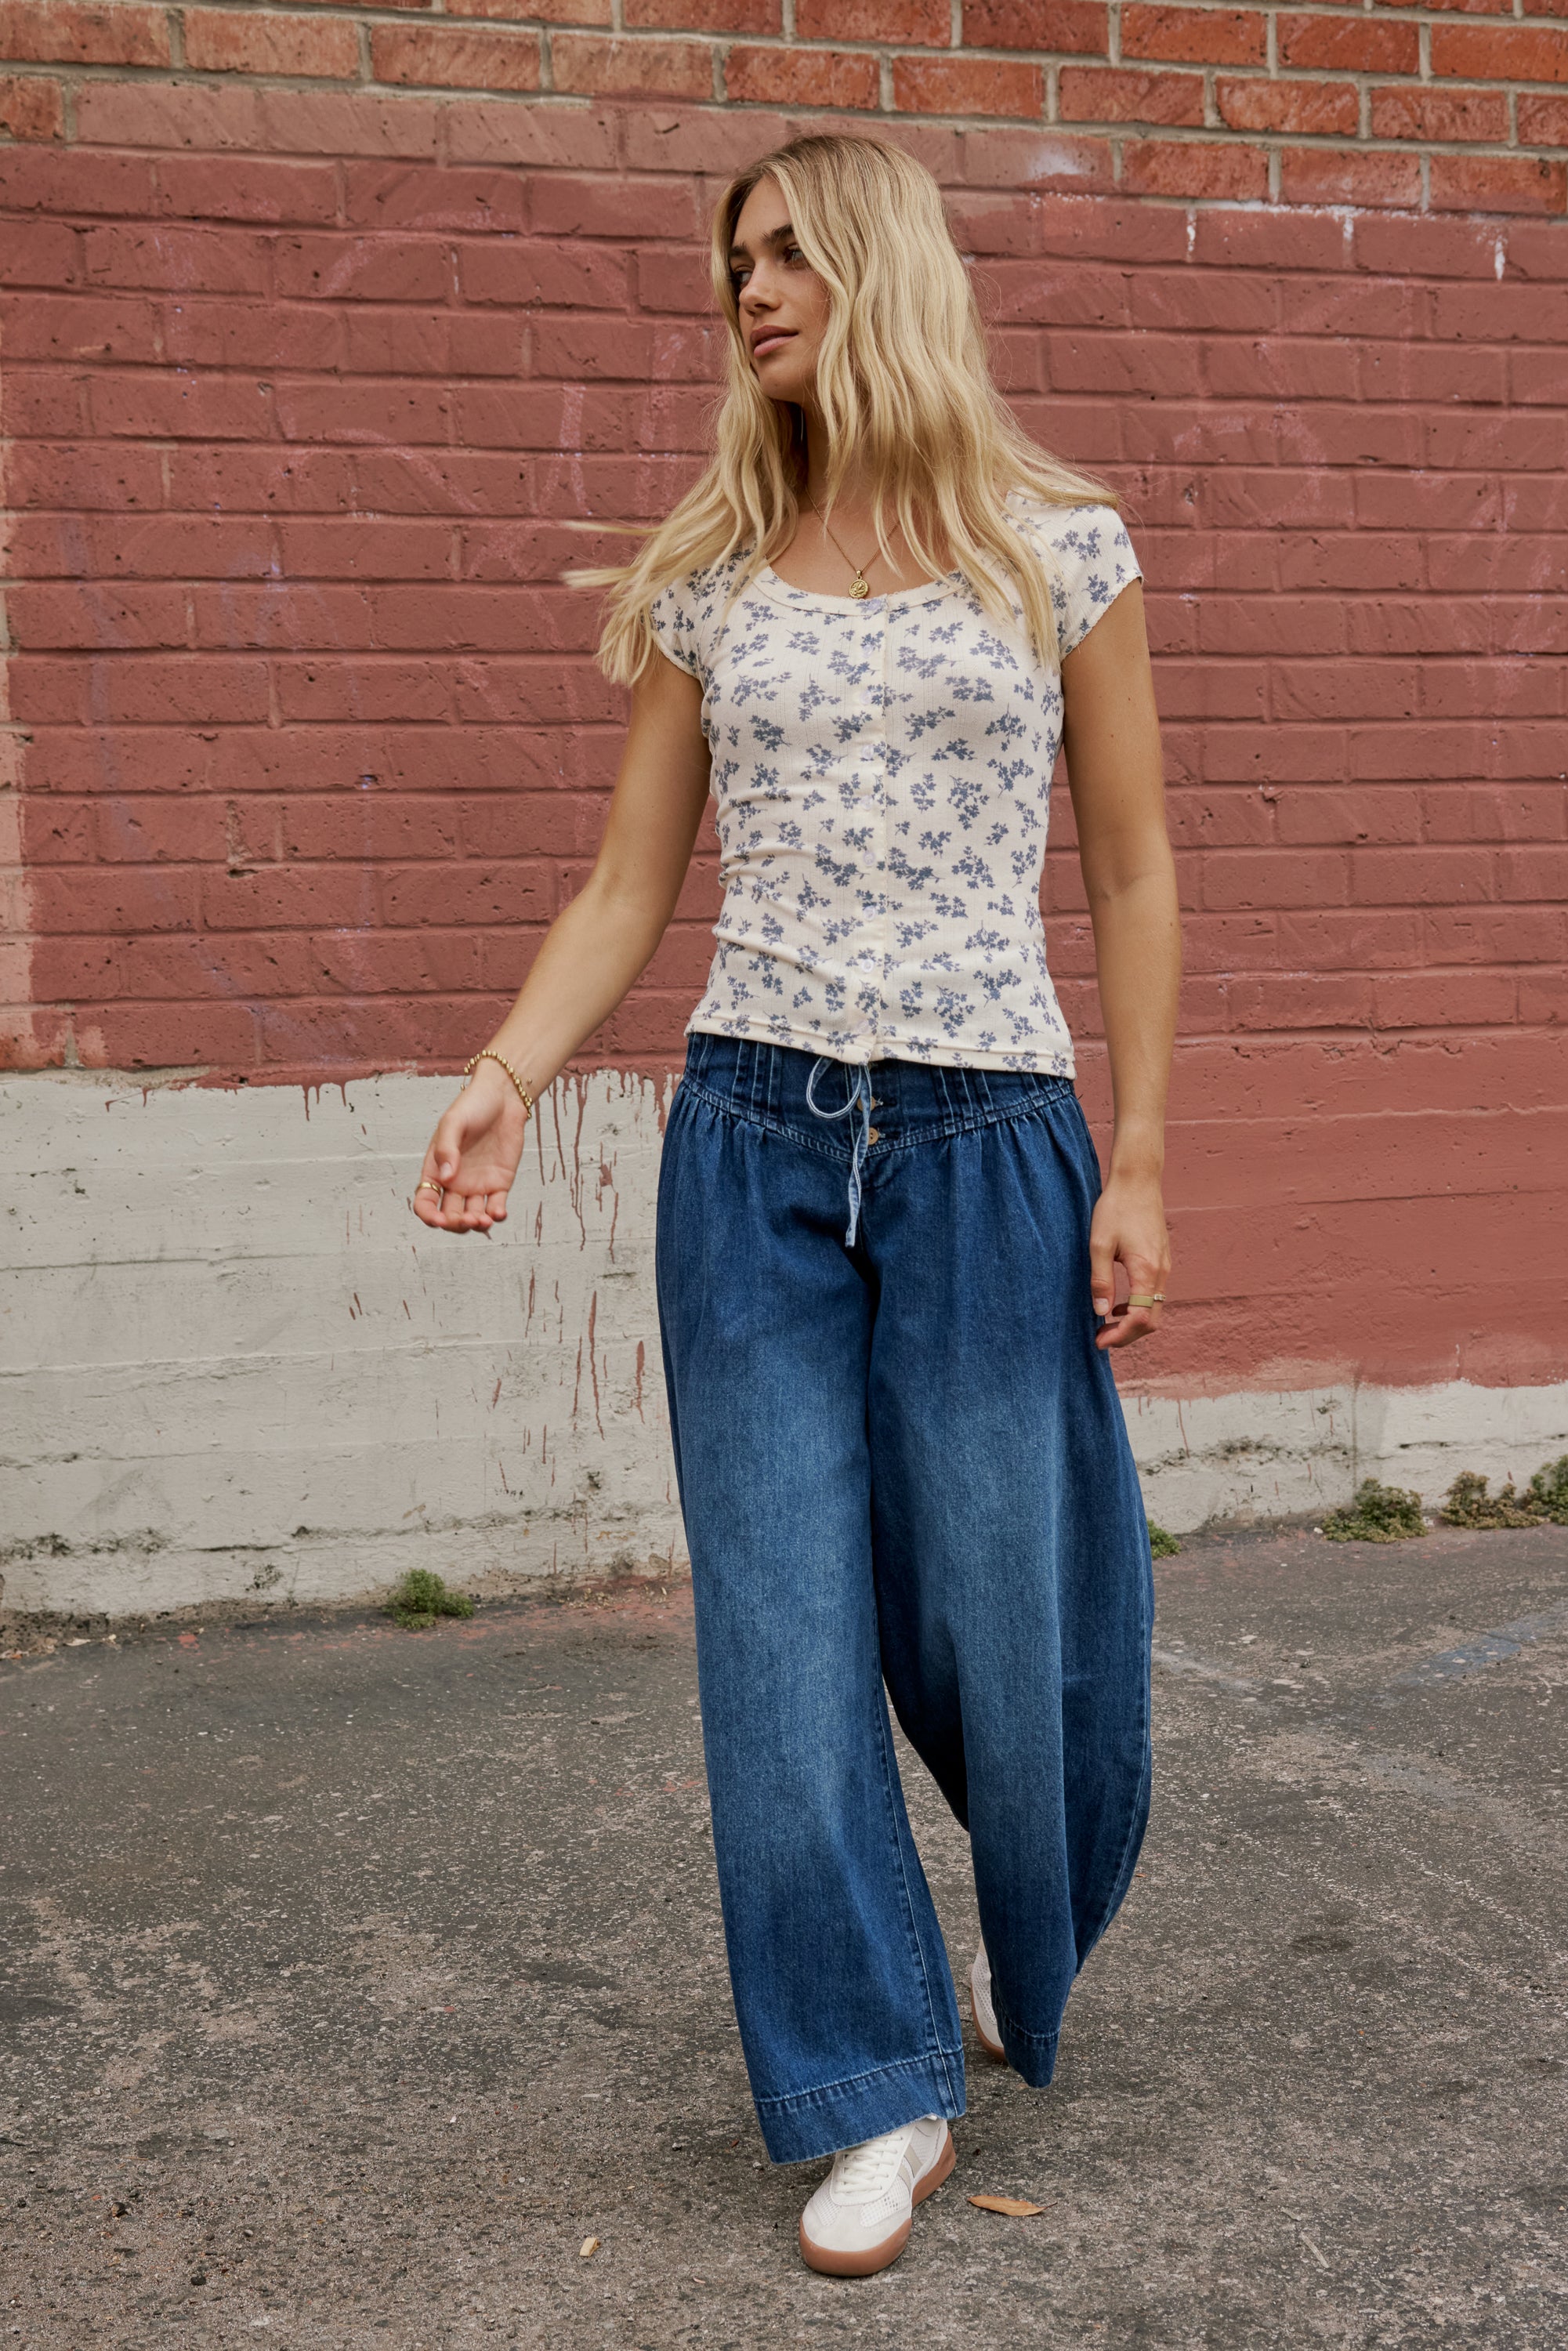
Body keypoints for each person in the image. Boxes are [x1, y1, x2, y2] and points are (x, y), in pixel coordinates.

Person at [412, 132, 1179, 2279]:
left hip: (990, 1139)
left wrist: (1139, 1155)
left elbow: (1132, 867)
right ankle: (871, 2077)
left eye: (783, 256)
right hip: (751, 1137)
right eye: (733, 265)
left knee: (1006, 1621)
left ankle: (1025, 1913)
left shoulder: (1059, 552)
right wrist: (503, 1075)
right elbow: (626, 882)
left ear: (880, 270)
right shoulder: (714, 573)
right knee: (778, 1634)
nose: (747, 291)